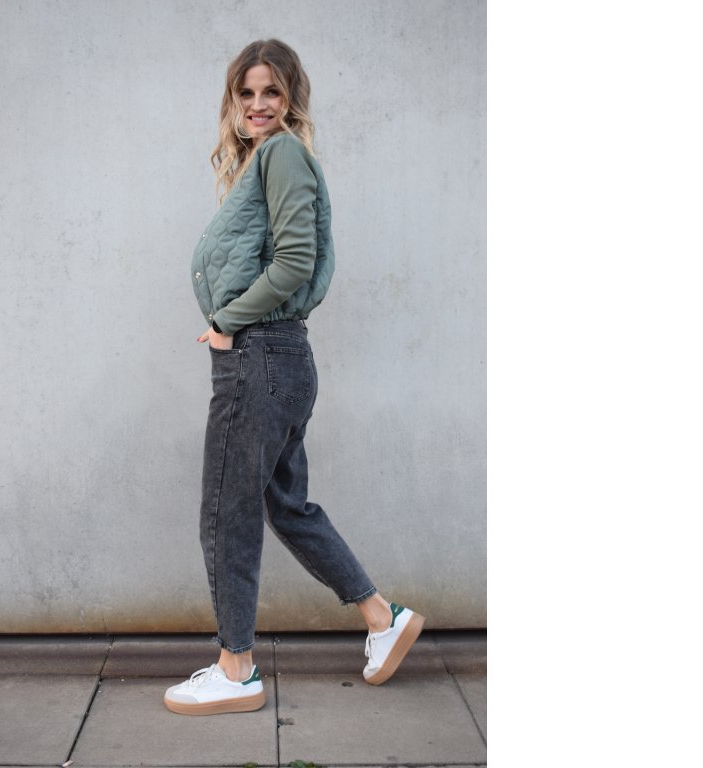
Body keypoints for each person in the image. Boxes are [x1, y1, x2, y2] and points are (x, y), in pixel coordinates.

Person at [164, 39, 424, 717]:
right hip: (278, 361)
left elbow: (294, 262)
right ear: (233, 99)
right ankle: (382, 617)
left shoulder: (281, 154)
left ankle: (236, 669)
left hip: (258, 358)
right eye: (246, 93)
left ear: (291, 97)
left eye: (271, 92)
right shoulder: (267, 158)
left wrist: (226, 321)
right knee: (285, 505)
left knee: (227, 513)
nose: (258, 105)